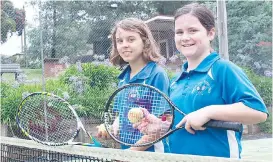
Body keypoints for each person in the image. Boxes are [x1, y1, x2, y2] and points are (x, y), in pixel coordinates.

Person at [134, 3, 268, 158]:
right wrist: (159, 126)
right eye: (179, 32)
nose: (185, 37)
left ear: (210, 33)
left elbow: (258, 111)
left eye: (193, 30)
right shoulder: (176, 81)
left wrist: (208, 112)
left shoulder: (222, 69)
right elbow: (179, 122)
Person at [97, 17, 170, 153]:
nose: (124, 45)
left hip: (152, 156)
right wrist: (111, 128)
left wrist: (131, 153)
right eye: (120, 41)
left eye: (131, 39)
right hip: (129, 154)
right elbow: (122, 117)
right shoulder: (123, 78)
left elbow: (163, 124)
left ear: (145, 42)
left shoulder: (157, 74)